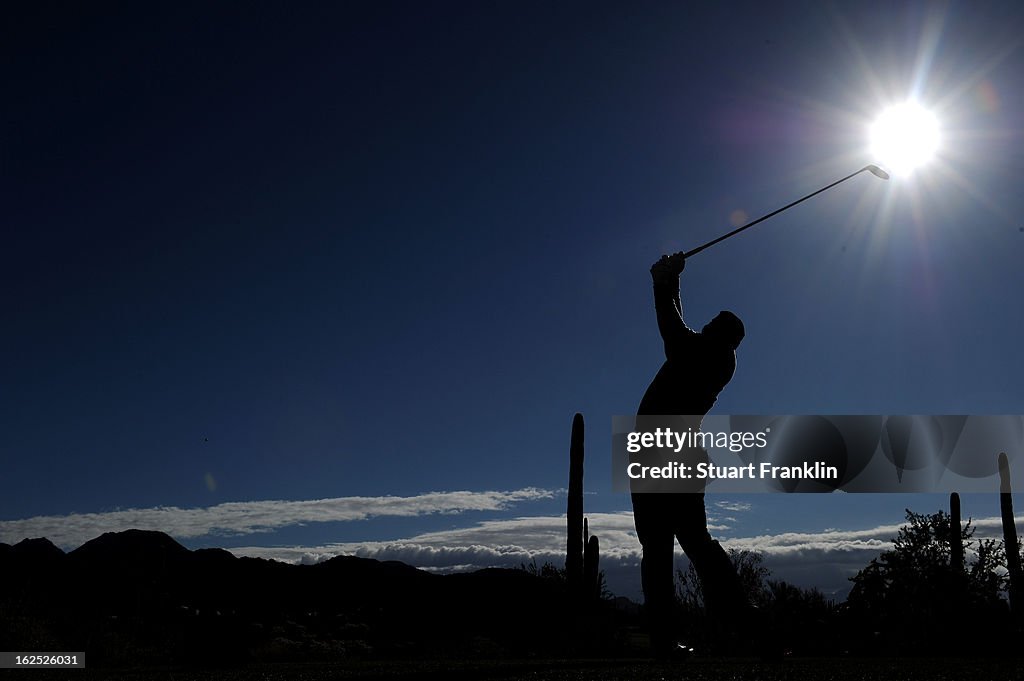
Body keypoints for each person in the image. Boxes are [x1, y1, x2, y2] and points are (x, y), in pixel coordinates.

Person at [631, 251, 748, 658]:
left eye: (714, 324)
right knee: (667, 546)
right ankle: (683, 637)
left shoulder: (709, 357)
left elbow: (672, 329)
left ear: (725, 337)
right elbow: (679, 329)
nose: (707, 325)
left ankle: (740, 626)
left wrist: (666, 281)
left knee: (684, 545)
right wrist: (668, 280)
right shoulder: (710, 354)